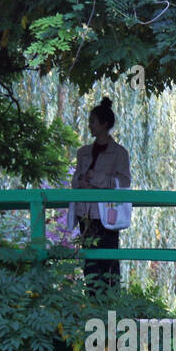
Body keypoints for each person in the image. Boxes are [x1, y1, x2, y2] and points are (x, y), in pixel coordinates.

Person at [68, 97, 130, 291]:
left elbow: (124, 182)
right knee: (90, 264)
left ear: (105, 124)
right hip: (85, 214)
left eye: (93, 122)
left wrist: (98, 179)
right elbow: (75, 179)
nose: (90, 126)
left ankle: (111, 303)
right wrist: (81, 182)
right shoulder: (83, 152)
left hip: (106, 215)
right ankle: (92, 303)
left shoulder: (120, 154)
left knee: (109, 261)